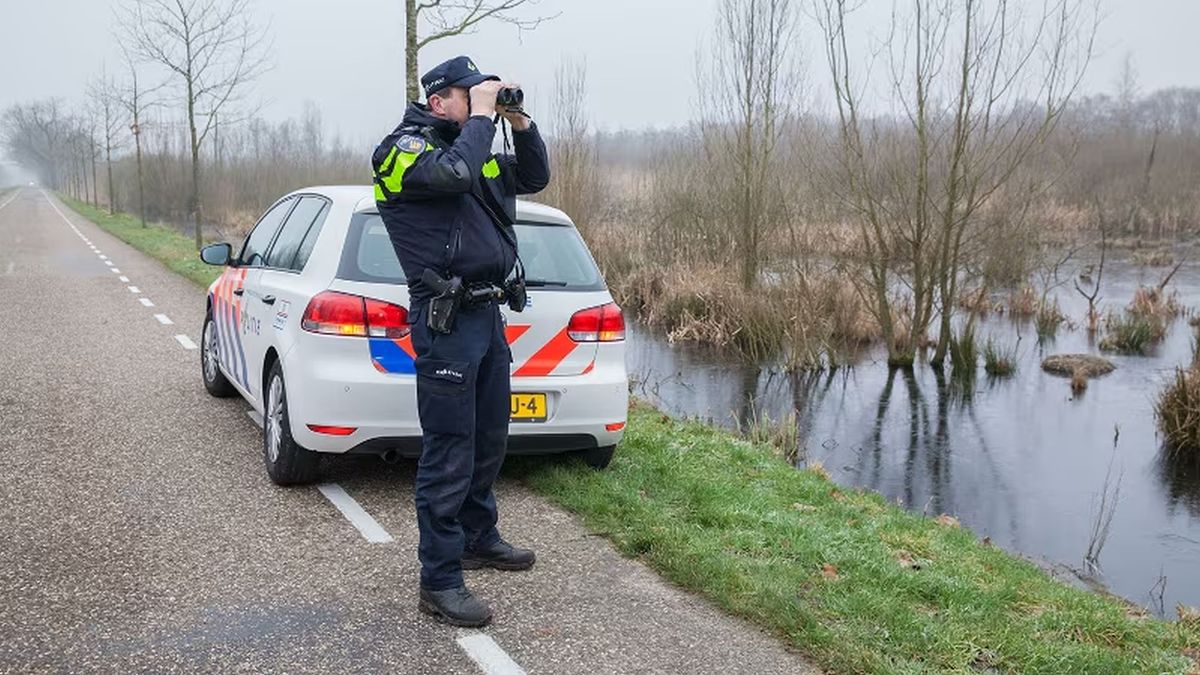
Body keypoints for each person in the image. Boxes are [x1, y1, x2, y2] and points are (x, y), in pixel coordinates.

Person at [371, 55, 550, 627]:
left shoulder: (473, 151)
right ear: (438, 99)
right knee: (449, 451)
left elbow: (534, 177)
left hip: (487, 314)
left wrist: (517, 121)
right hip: (444, 320)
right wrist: (479, 119)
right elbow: (450, 176)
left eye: (481, 97)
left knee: (488, 437)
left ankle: (479, 536)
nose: (478, 105)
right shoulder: (400, 151)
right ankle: (440, 580)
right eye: (466, 96)